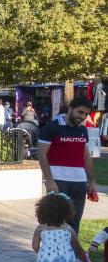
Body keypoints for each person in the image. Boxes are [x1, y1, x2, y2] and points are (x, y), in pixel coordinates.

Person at [37, 96, 98, 233]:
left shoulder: (83, 130)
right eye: (80, 112)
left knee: (74, 222)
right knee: (55, 221)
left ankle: (71, 254)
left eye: (86, 114)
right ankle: (52, 253)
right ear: (70, 109)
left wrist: (92, 181)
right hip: (58, 181)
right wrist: (49, 179)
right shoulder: (51, 127)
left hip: (79, 182)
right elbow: (42, 155)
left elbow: (86, 156)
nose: (83, 117)